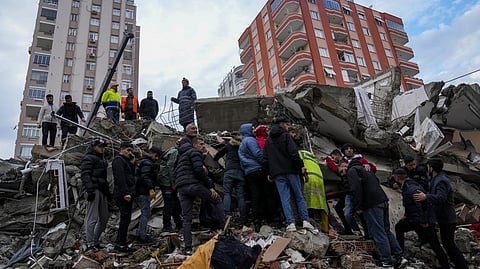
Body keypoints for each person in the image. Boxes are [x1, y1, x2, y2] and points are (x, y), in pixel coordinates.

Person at [339, 158, 407, 268]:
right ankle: (400, 257)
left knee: (378, 232)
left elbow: (356, 188)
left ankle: (387, 261)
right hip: (383, 200)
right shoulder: (366, 170)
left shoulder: (352, 171)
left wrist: (359, 205)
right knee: (386, 230)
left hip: (371, 204)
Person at [413, 158, 468, 269]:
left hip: (447, 219)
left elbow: (441, 198)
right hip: (443, 219)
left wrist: (426, 197)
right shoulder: (435, 179)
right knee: (448, 245)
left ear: (431, 168)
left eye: (428, 167)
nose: (426, 169)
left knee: (450, 245)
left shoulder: (441, 180)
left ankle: (462, 266)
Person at [263, 117, 315, 232]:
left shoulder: (268, 141)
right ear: (281, 124)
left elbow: (265, 159)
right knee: (299, 196)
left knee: (284, 198)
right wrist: (301, 166)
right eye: (286, 124)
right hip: (291, 171)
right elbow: (293, 153)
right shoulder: (286, 136)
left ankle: (290, 223)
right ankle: (305, 220)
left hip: (277, 174)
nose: (287, 127)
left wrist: (269, 173)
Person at [175, 137, 224, 255]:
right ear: (195, 145)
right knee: (217, 199)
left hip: (182, 188)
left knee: (187, 218)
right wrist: (210, 186)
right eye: (201, 144)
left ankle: (187, 248)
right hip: (193, 185)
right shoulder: (194, 152)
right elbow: (198, 170)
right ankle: (224, 230)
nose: (203, 146)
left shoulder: (183, 156)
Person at [393, 168, 449, 268]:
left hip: (422, 221)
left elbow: (420, 205)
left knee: (434, 244)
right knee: (399, 227)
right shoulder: (407, 185)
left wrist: (423, 221)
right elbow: (410, 205)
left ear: (397, 177)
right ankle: (400, 256)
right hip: (416, 219)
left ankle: (445, 265)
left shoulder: (411, 188)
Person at [239, 123, 276, 232]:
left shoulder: (242, 144)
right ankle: (272, 218)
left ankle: (257, 220)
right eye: (252, 128)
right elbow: (258, 154)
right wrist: (266, 166)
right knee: (268, 194)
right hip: (258, 170)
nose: (254, 130)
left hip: (249, 172)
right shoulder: (250, 140)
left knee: (256, 196)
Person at [80, 138, 109, 251]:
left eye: (103, 146)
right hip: (93, 189)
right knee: (92, 218)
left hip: (101, 190)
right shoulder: (88, 158)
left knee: (104, 218)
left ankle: (95, 241)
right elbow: (85, 175)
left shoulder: (101, 159)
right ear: (94, 146)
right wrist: (90, 189)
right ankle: (90, 243)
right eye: (100, 146)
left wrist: (107, 193)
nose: (102, 148)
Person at [214, 135, 247, 226]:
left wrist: (216, 160)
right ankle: (243, 218)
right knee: (241, 196)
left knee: (227, 193)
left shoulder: (228, 146)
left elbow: (218, 154)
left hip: (229, 171)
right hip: (240, 172)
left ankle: (226, 215)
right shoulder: (242, 147)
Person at [112, 142, 136, 252]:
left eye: (131, 151)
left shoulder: (125, 161)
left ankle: (121, 242)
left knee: (126, 219)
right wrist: (125, 193)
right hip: (123, 194)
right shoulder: (118, 160)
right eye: (128, 150)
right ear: (121, 149)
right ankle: (121, 244)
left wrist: (132, 163)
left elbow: (129, 175)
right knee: (124, 219)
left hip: (127, 193)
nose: (129, 153)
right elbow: (120, 177)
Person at [135, 146, 161, 244]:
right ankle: (142, 236)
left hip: (140, 191)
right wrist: (150, 188)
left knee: (145, 212)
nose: (156, 158)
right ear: (151, 153)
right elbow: (145, 176)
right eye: (156, 155)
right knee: (145, 213)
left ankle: (140, 234)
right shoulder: (147, 163)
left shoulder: (143, 161)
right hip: (143, 191)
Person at [157, 146, 183, 233]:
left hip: (166, 181)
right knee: (169, 204)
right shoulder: (175, 152)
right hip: (166, 182)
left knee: (175, 204)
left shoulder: (173, 150)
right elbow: (170, 167)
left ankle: (178, 224)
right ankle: (167, 226)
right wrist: (173, 183)